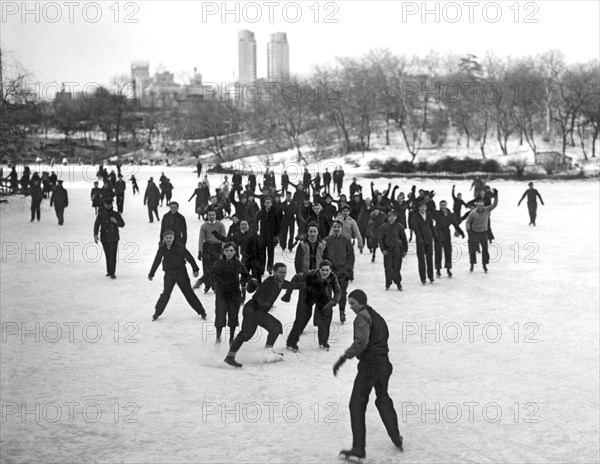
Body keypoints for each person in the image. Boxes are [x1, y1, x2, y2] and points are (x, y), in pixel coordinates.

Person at [333, 289, 404, 461]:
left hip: (370, 365)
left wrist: (343, 358)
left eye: (353, 303)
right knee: (382, 398)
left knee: (356, 404)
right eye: (349, 303)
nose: (350, 307)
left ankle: (358, 449)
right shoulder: (376, 316)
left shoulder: (362, 317)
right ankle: (396, 437)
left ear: (361, 302)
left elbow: (361, 342)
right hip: (384, 364)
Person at [224, 263, 303, 368]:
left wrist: (307, 284)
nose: (283, 275)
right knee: (273, 327)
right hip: (253, 310)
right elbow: (259, 296)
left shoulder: (280, 282)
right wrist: (266, 304)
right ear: (274, 272)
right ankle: (266, 352)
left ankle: (230, 357)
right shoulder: (270, 281)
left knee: (247, 334)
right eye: (280, 272)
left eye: (284, 272)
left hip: (256, 311)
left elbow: (292, 285)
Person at [195, 242, 250, 344]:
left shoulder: (238, 264)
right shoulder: (219, 264)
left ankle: (231, 338)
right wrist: (200, 281)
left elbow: (246, 276)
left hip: (234, 294)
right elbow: (209, 273)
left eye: (231, 251)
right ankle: (218, 337)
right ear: (223, 252)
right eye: (227, 251)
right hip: (221, 294)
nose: (229, 253)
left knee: (233, 316)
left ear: (235, 252)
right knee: (220, 316)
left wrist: (245, 287)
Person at [148, 230, 207, 321]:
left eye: (170, 238)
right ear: (164, 239)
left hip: (181, 273)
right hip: (169, 274)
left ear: (173, 238)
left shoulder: (179, 247)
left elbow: (189, 257)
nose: (168, 239)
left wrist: (195, 269)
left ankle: (201, 311)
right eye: (167, 238)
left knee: (188, 292)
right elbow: (157, 260)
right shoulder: (162, 248)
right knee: (166, 293)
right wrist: (151, 273)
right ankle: (157, 312)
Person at [283, 260, 341, 351]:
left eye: (327, 270)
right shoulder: (310, 274)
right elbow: (296, 277)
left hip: (323, 296)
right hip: (307, 295)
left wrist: (332, 302)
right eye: (323, 270)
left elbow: (338, 291)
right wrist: (288, 292)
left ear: (330, 270)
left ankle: (323, 342)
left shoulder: (332, 276)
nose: (325, 272)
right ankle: (291, 342)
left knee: (325, 316)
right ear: (319, 269)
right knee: (302, 318)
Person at [324, 220, 355, 324]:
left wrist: (348, 270)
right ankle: (327, 312)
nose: (336, 229)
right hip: (329, 272)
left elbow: (351, 257)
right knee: (327, 292)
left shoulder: (346, 241)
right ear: (332, 228)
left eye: (338, 227)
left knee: (341, 293)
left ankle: (342, 311)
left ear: (341, 229)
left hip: (342, 272)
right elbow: (322, 256)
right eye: (334, 227)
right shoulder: (326, 241)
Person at [466, 189, 498, 273]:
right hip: (474, 233)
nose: (480, 207)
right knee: (472, 250)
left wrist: (496, 196)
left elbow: (494, 205)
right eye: (478, 205)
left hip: (484, 233)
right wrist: (468, 230)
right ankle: (472, 264)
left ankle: (484, 264)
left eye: (481, 205)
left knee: (485, 249)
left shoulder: (487, 210)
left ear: (484, 205)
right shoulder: (473, 213)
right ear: (477, 205)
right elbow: (468, 222)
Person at [93, 199, 125, 279]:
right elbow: (96, 224)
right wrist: (95, 235)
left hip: (114, 238)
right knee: (107, 255)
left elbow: (122, 224)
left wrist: (116, 221)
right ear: (104, 205)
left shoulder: (116, 214)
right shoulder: (101, 215)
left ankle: (112, 272)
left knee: (113, 255)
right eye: (107, 204)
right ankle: (109, 271)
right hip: (105, 238)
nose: (108, 206)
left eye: (110, 204)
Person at [433, 200, 464, 278]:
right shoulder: (436, 213)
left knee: (448, 252)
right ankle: (438, 270)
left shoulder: (450, 215)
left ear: (446, 205)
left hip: (447, 235)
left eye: (444, 205)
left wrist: (461, 232)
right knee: (438, 253)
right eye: (441, 205)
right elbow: (429, 210)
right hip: (438, 235)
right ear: (439, 206)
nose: (443, 206)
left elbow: (455, 225)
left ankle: (448, 269)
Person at [378, 210, 408, 290]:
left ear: (396, 217)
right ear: (388, 218)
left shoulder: (399, 226)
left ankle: (398, 283)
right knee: (388, 268)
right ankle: (388, 283)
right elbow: (380, 239)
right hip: (387, 250)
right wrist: (383, 249)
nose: (392, 218)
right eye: (390, 216)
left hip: (397, 250)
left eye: (393, 216)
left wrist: (405, 250)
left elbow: (404, 238)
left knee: (397, 267)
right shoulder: (384, 227)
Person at [198, 209, 226, 293]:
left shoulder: (220, 225)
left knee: (216, 267)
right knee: (206, 267)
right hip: (207, 247)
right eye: (209, 215)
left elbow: (224, 238)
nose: (211, 216)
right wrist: (200, 251)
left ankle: (215, 285)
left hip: (217, 247)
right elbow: (201, 239)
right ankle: (207, 285)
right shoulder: (204, 226)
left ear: (215, 215)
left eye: (213, 215)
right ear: (207, 215)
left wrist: (224, 249)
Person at [412, 202, 435, 285]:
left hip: (429, 239)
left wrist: (434, 236)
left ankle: (431, 276)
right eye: (421, 207)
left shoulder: (428, 215)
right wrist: (420, 239)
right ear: (418, 208)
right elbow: (416, 229)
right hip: (420, 241)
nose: (422, 208)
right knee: (421, 260)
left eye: (424, 207)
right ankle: (423, 278)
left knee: (429, 258)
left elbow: (431, 226)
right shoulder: (415, 217)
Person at [257, 196, 281, 277]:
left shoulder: (275, 212)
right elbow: (256, 222)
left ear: (271, 204)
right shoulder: (261, 212)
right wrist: (257, 232)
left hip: (271, 236)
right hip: (263, 236)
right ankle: (261, 269)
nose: (267, 204)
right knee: (261, 253)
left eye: (269, 203)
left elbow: (278, 225)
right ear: (264, 203)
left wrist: (277, 235)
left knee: (271, 253)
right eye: (266, 202)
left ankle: (270, 268)